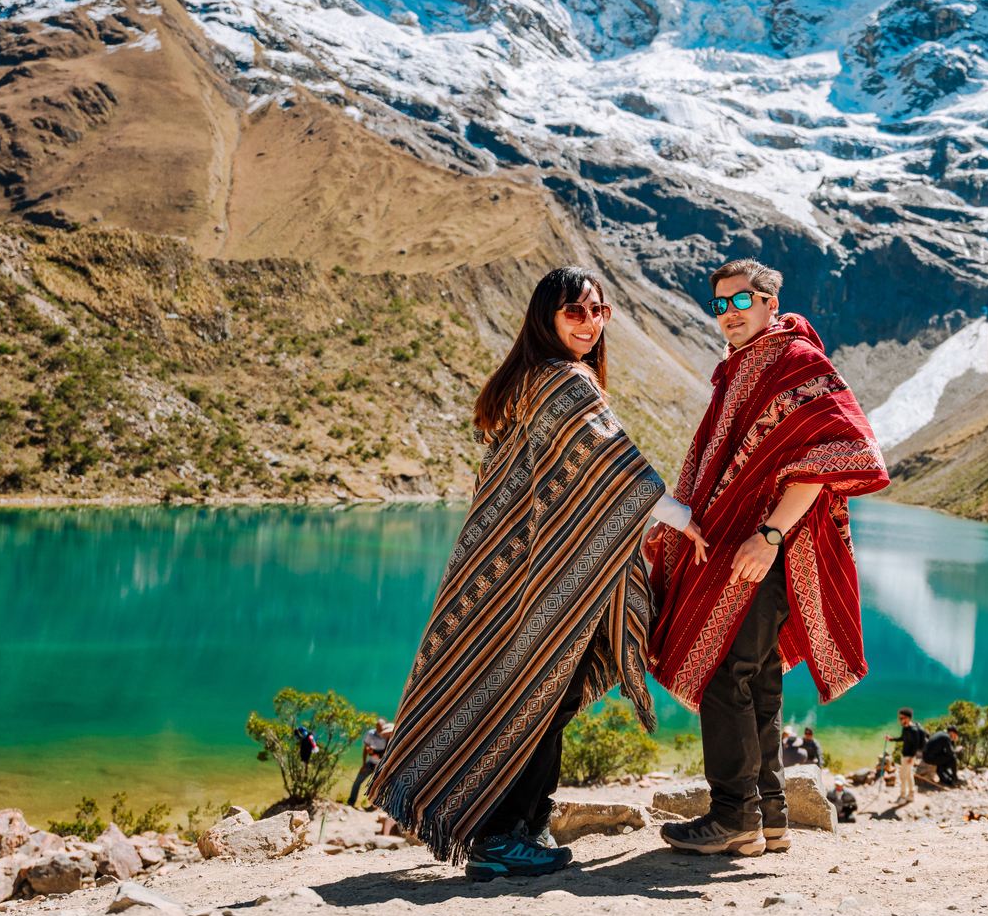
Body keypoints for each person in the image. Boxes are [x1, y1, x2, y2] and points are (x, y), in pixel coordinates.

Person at [368, 267, 708, 883]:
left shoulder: (527, 378)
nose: (590, 323)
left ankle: (523, 823)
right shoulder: (563, 381)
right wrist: (684, 521)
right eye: (575, 311)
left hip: (518, 574)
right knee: (536, 697)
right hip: (541, 580)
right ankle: (501, 835)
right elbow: (614, 470)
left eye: (599, 311)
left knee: (533, 694)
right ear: (546, 317)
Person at [647, 258, 889, 857]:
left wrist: (771, 535)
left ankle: (734, 815)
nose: (729, 314)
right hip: (743, 546)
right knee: (757, 676)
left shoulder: (796, 360)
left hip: (768, 549)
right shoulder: (740, 367)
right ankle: (769, 813)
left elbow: (835, 454)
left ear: (769, 302)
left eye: (741, 301)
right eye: (720, 305)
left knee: (725, 673)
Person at [348, 719, 393, 807]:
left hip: (381, 766)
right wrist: (364, 763)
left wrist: (373, 752)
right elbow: (365, 749)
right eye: (377, 727)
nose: (378, 729)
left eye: (380, 727)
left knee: (378, 786)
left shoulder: (388, 736)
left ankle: (373, 806)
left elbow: (386, 753)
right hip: (371, 763)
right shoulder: (370, 734)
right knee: (357, 782)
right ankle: (351, 802)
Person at [886, 708, 928, 804]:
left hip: (909, 757)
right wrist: (891, 739)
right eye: (899, 718)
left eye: (902, 718)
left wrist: (911, 757)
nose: (900, 720)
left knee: (902, 777)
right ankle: (911, 795)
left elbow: (916, 745)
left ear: (908, 718)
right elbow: (902, 738)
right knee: (909, 775)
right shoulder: (905, 728)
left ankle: (902, 797)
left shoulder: (913, 730)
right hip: (905, 755)